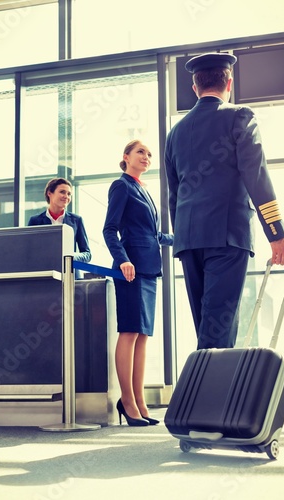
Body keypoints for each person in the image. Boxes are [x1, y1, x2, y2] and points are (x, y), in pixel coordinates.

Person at [164, 52, 284, 351]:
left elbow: (174, 194)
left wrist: (182, 235)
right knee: (217, 329)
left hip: (189, 240)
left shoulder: (175, 133)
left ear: (195, 87)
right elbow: (256, 175)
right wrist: (276, 234)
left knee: (207, 328)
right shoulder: (240, 116)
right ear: (229, 83)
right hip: (227, 235)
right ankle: (210, 396)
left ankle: (205, 391)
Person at [103, 140, 173, 426]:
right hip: (130, 269)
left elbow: (153, 235)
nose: (146, 156)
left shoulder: (143, 189)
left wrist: (184, 239)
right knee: (130, 332)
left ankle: (140, 400)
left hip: (149, 269)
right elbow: (109, 228)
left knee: (143, 336)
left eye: (149, 154)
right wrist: (122, 260)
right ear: (126, 157)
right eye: (141, 152)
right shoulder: (122, 186)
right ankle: (128, 402)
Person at [28, 177, 91, 278]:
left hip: (71, 277)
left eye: (69, 194)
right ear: (50, 193)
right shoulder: (35, 221)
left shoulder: (76, 220)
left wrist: (71, 256)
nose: (66, 196)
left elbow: (87, 254)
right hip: (45, 276)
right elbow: (29, 252)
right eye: (62, 192)